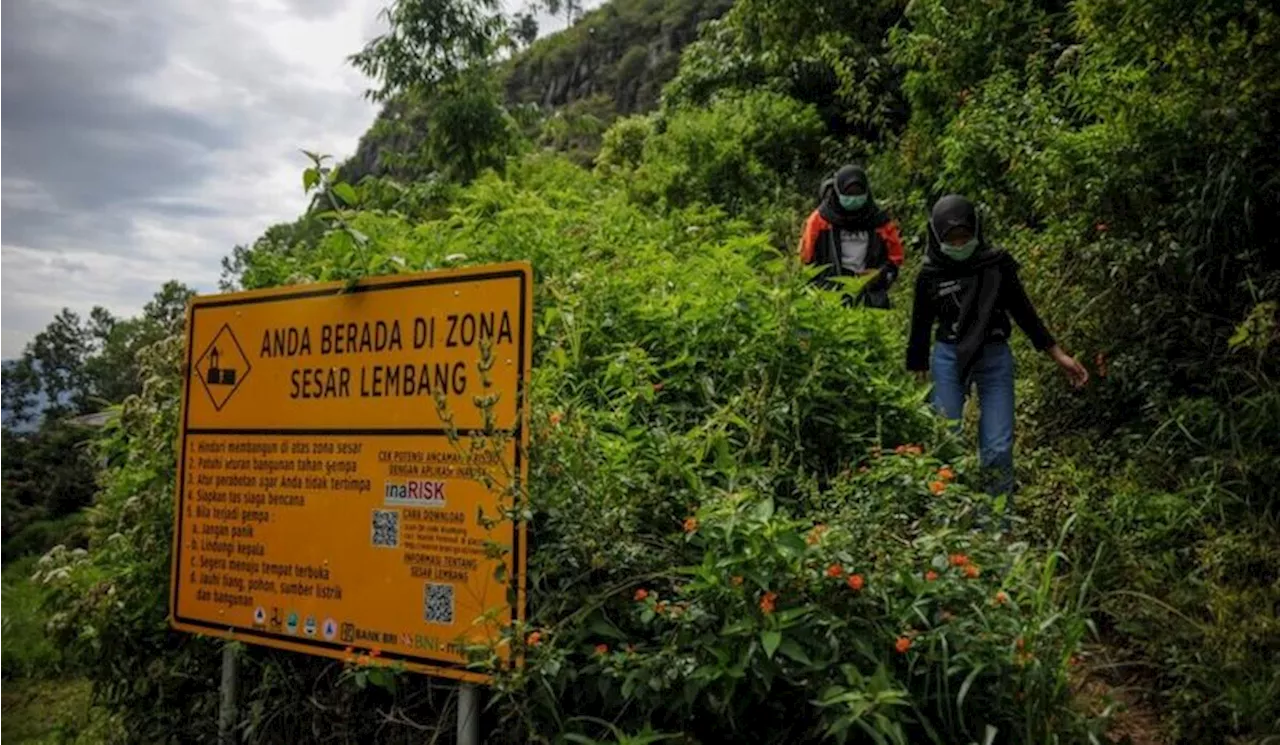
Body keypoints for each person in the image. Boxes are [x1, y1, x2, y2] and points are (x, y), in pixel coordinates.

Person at [907, 194, 1088, 507]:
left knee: (998, 446)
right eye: (952, 239)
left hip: (993, 355)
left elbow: (1023, 311)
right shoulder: (930, 274)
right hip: (949, 356)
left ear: (977, 232)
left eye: (965, 236)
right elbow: (920, 323)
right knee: (944, 438)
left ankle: (995, 524)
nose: (960, 243)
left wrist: (1057, 354)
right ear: (936, 238)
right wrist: (917, 368)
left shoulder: (996, 265)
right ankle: (947, 515)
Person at [798, 165, 905, 308]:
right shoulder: (820, 221)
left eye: (858, 194)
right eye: (849, 194)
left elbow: (895, 259)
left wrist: (879, 275)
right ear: (837, 192)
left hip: (870, 298)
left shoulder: (880, 222)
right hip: (829, 297)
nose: (853, 199)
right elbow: (806, 258)